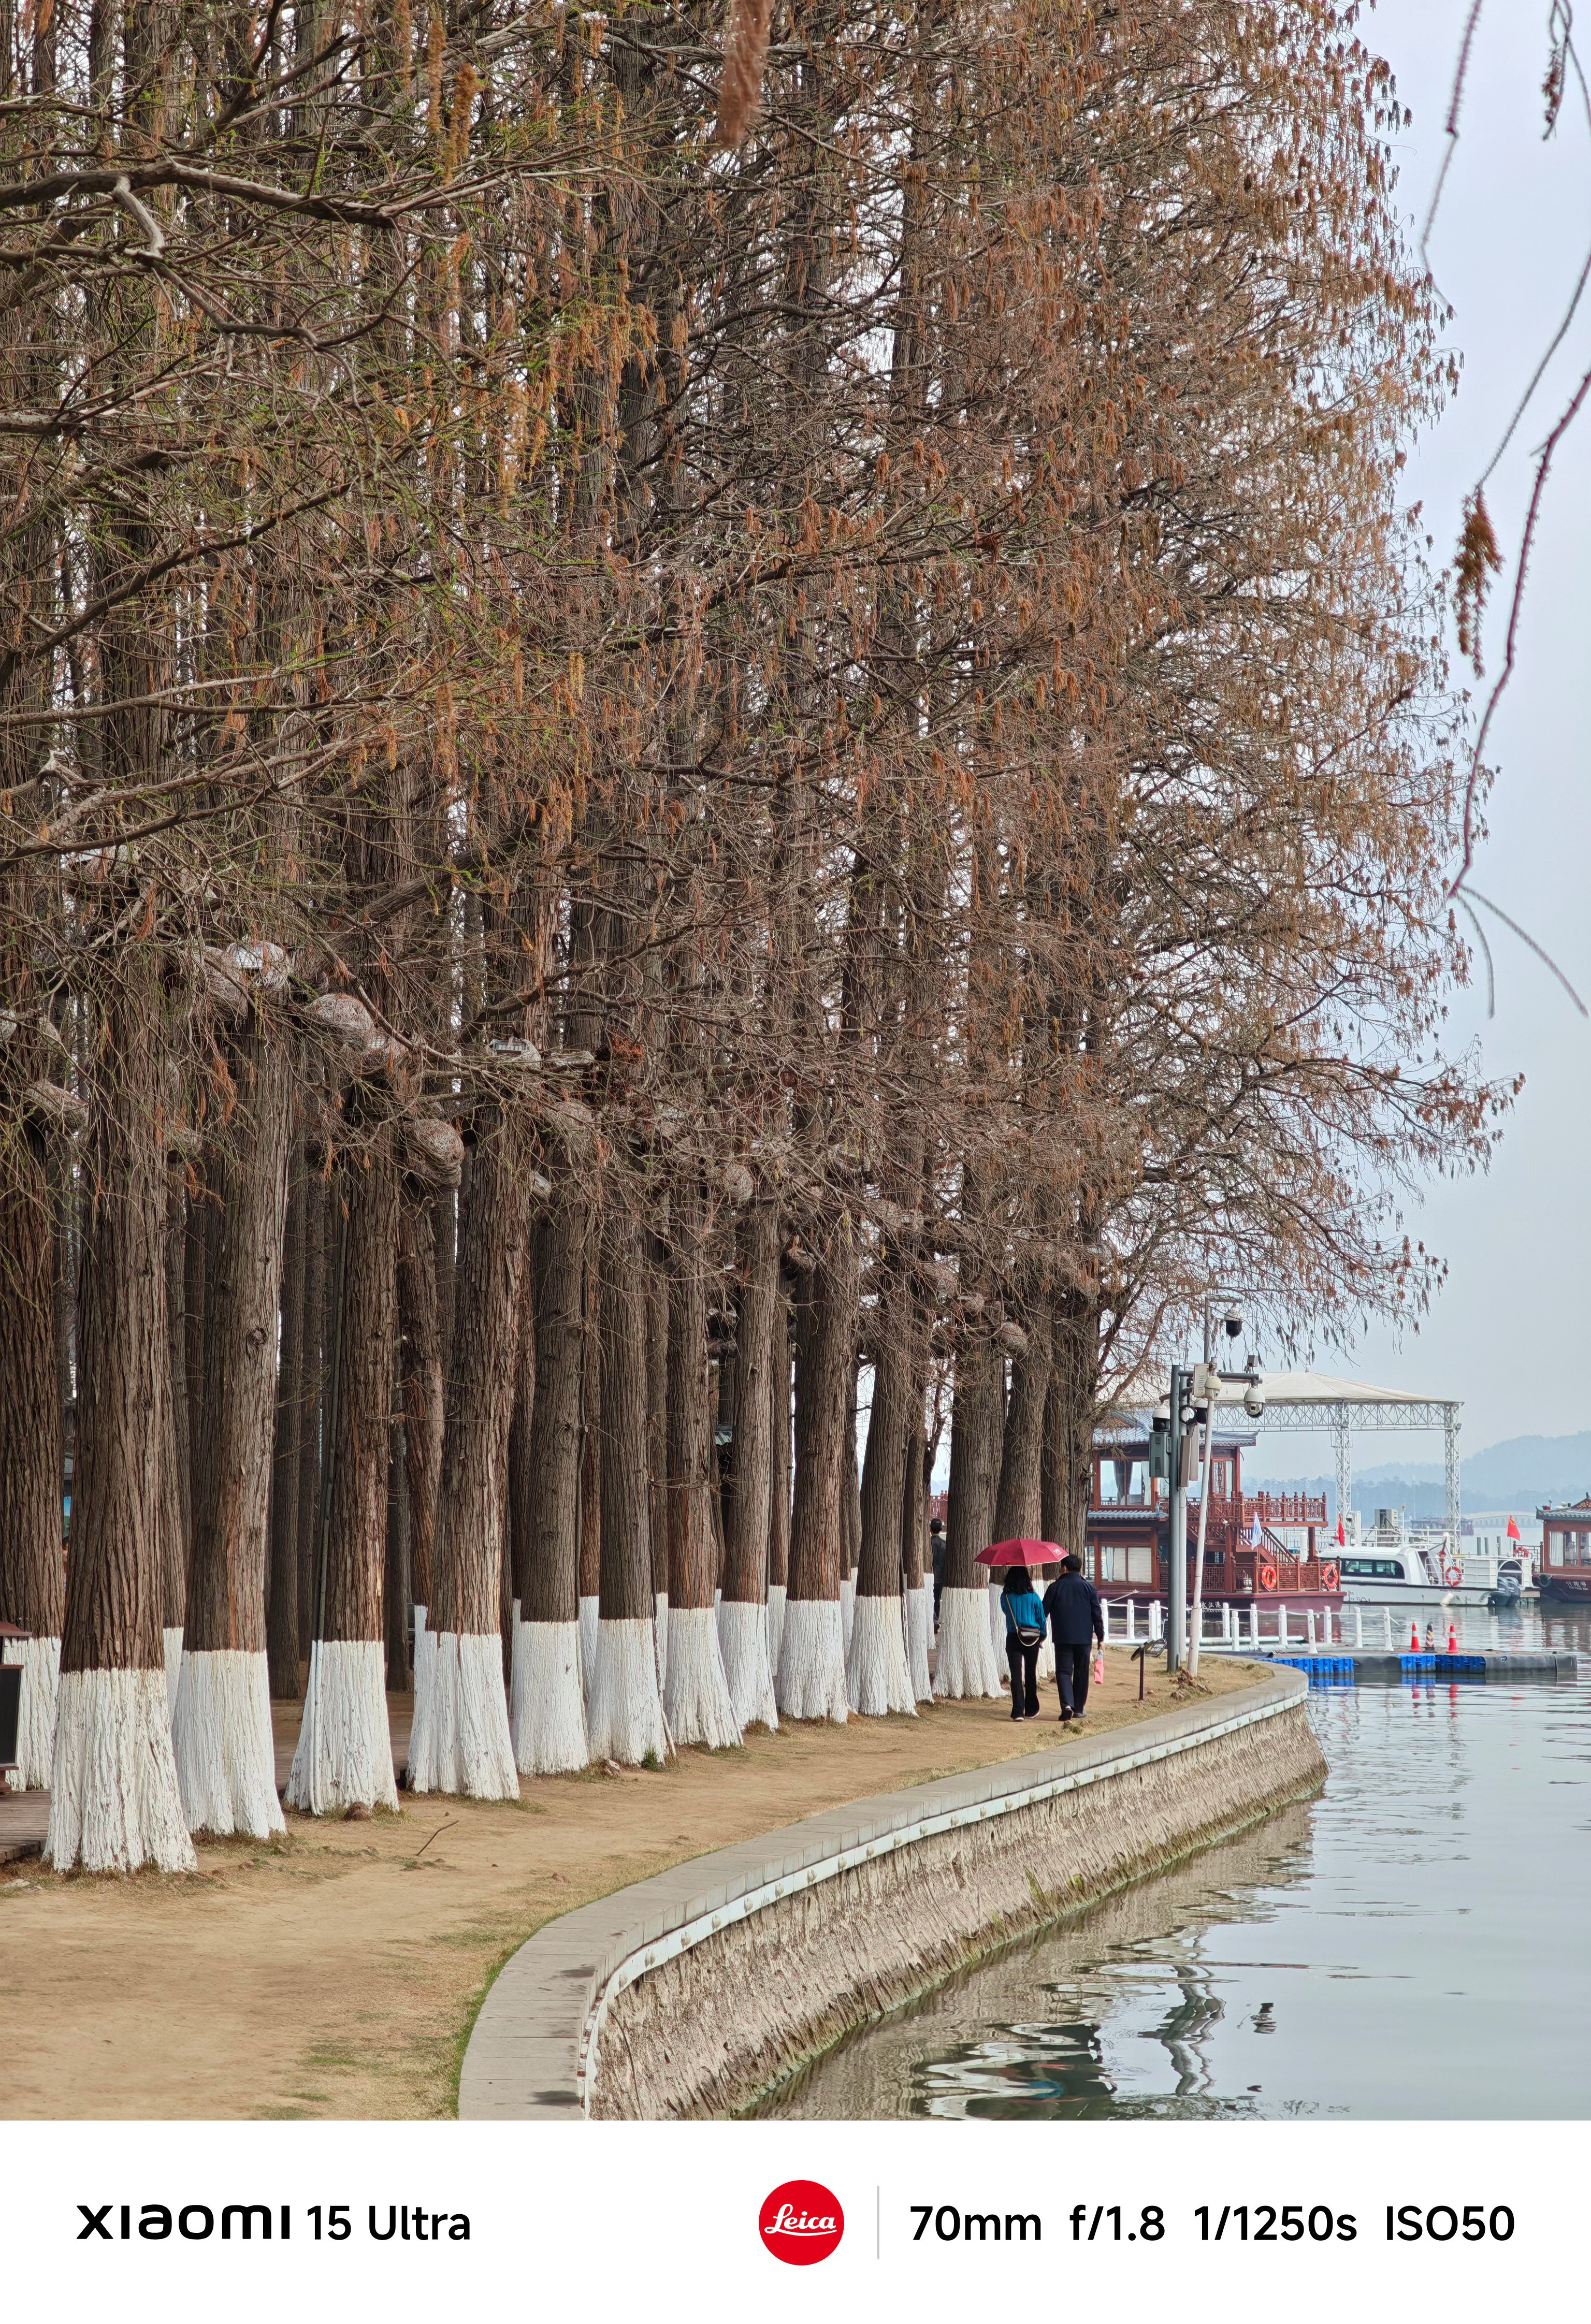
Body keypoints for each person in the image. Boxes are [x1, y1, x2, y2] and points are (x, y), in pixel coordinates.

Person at [1043, 1552, 1104, 1723]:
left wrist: (1040, 1635)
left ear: (1064, 1568)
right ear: (1080, 1569)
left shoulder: (1054, 1588)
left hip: (1062, 1638)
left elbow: (1043, 1613)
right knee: (1081, 1673)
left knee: (1063, 1672)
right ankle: (1079, 1709)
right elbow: (1097, 1615)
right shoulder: (1089, 1589)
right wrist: (1101, 1638)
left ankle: (1067, 1706)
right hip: (1084, 1639)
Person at [1000, 1564, 1046, 1720]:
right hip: (1033, 1639)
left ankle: (1018, 1711)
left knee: (1016, 1675)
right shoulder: (1034, 1597)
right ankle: (1032, 1709)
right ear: (1027, 1579)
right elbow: (1041, 1619)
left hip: (1014, 1638)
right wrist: (1042, 1636)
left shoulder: (1005, 1596)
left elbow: (1006, 1611)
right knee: (1031, 1673)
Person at [930, 1518, 946, 1625]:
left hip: (929, 1576)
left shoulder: (927, 1544)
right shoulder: (945, 1544)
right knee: (937, 1600)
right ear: (941, 1529)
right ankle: (936, 1620)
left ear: (930, 1529)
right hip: (940, 1577)